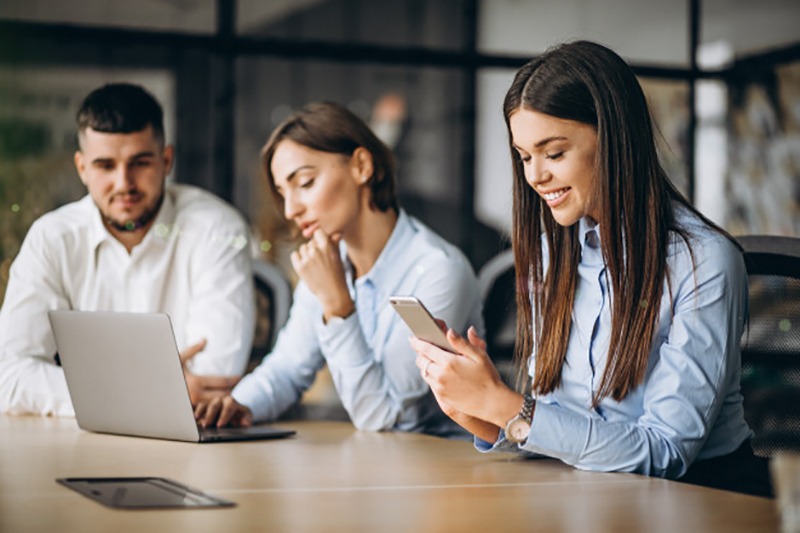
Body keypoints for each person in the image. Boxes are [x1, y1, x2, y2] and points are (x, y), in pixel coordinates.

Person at [409, 40, 772, 497]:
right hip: (588, 494)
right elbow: (560, 427)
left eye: (554, 153)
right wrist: (484, 414)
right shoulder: (551, 252)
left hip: (702, 499)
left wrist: (512, 410)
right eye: (524, 157)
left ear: (616, 138)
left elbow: (666, 452)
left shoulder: (704, 262)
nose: (535, 176)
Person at [194, 101, 483, 437]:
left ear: (361, 166)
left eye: (304, 183)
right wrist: (236, 405)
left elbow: (384, 417)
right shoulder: (331, 261)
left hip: (446, 469)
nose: (290, 210)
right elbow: (287, 369)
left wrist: (338, 307)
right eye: (282, 193)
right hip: (375, 463)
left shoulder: (438, 271)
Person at [0, 83, 256, 416]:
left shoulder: (217, 229)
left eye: (140, 163)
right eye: (105, 165)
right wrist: (145, 390)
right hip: (79, 442)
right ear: (82, 168)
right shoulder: (52, 238)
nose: (124, 183)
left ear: (166, 160)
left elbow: (214, 381)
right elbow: (9, 375)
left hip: (191, 445)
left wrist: (92, 390)